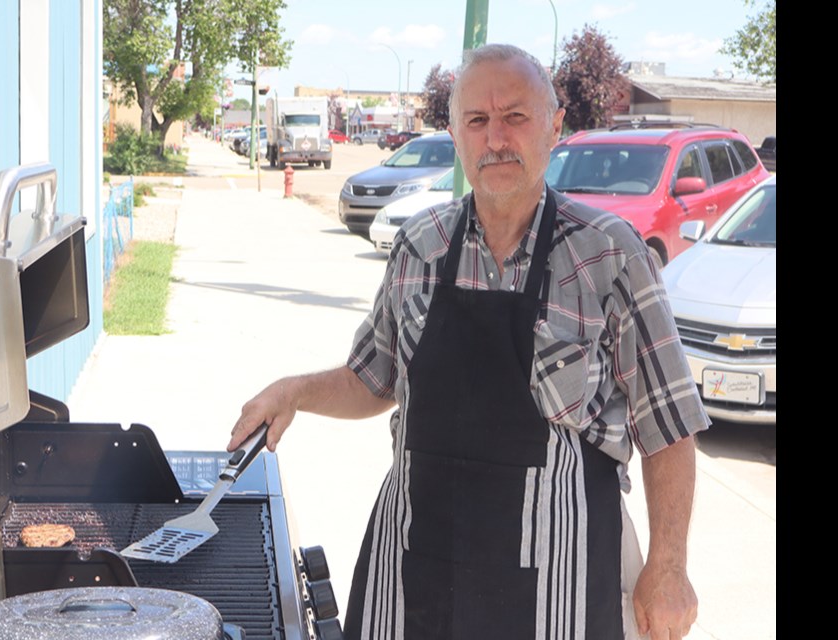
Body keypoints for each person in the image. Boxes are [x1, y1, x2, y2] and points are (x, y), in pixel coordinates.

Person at [230, 43, 709, 640]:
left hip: (560, 582)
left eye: (515, 116)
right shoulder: (420, 246)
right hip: (417, 573)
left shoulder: (610, 255)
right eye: (477, 121)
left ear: (554, 127)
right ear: (455, 134)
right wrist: (293, 391)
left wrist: (667, 567)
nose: (496, 139)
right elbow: (372, 379)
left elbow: (669, 426)